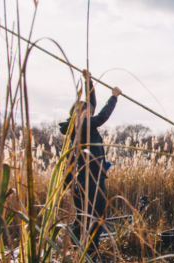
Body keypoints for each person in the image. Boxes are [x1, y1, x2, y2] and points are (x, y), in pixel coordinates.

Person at [59, 69, 122, 258]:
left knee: (86, 215)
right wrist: (114, 97)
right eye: (87, 112)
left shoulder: (81, 126)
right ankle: (88, 251)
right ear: (78, 113)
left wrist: (88, 81)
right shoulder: (81, 126)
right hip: (90, 181)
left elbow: (92, 104)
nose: (91, 113)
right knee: (94, 216)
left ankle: (80, 248)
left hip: (91, 178)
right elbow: (101, 117)